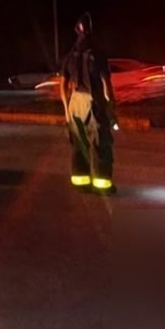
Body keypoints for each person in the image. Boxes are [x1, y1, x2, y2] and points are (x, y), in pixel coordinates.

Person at [59, 12, 118, 193]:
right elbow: (106, 86)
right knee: (101, 143)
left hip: (74, 103)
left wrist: (67, 111)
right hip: (93, 103)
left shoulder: (69, 56)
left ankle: (81, 182)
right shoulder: (98, 55)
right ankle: (102, 184)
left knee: (79, 143)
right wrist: (111, 111)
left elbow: (63, 86)